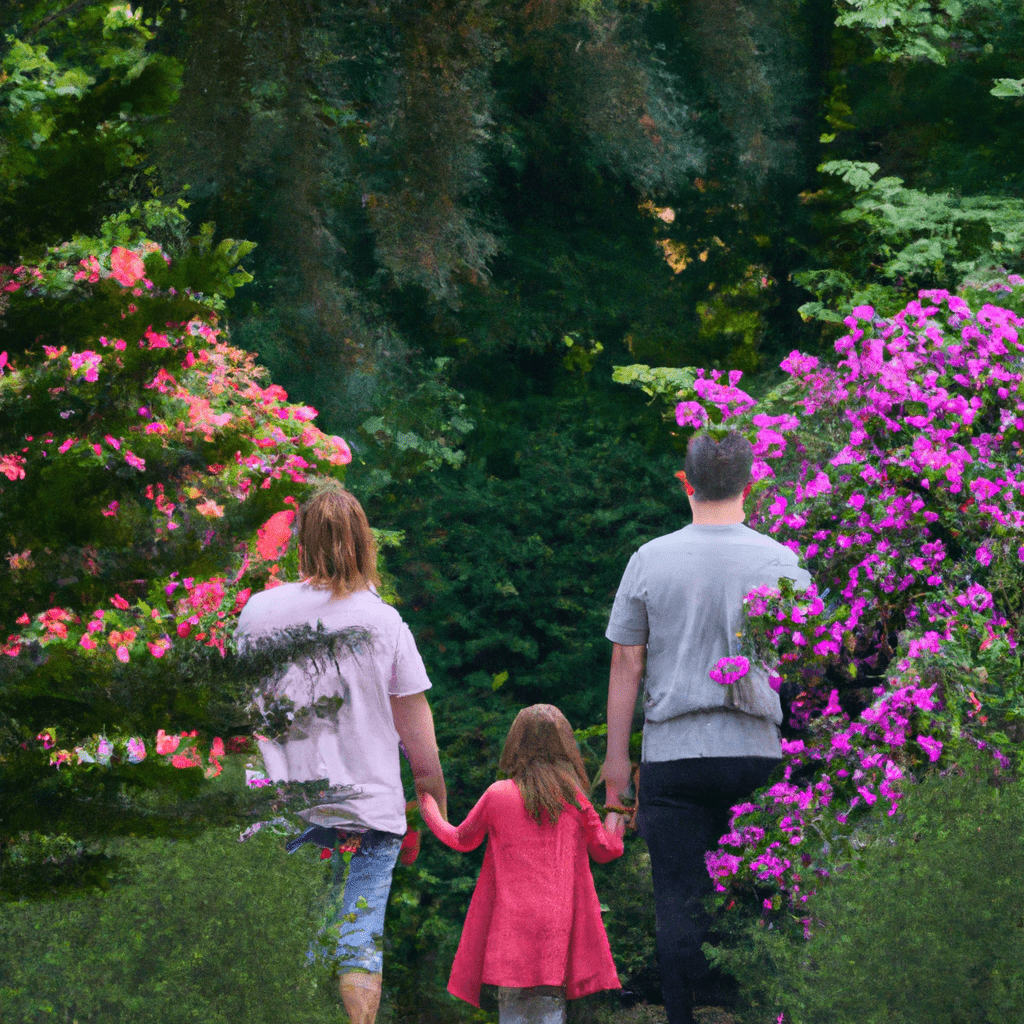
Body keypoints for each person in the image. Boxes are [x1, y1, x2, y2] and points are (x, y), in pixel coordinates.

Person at [601, 430, 812, 1024]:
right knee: (763, 900)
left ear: (684, 482)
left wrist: (618, 762)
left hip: (675, 753)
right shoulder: (780, 562)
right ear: (752, 482)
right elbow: (801, 661)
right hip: (756, 754)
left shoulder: (650, 558)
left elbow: (627, 660)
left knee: (676, 902)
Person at [236, 483, 447, 1024]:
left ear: (301, 543)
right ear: (363, 542)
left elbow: (240, 711)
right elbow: (416, 730)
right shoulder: (383, 622)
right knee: (357, 937)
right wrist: (430, 793)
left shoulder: (258, 614)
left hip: (283, 811)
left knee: (288, 940)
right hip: (367, 814)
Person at [417, 704, 625, 1024]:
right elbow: (606, 850)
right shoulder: (574, 798)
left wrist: (428, 804)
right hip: (556, 924)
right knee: (550, 1007)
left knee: (513, 1010)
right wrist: (618, 809)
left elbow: (460, 839)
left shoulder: (498, 794)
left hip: (511, 925)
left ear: (515, 743)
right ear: (563, 745)